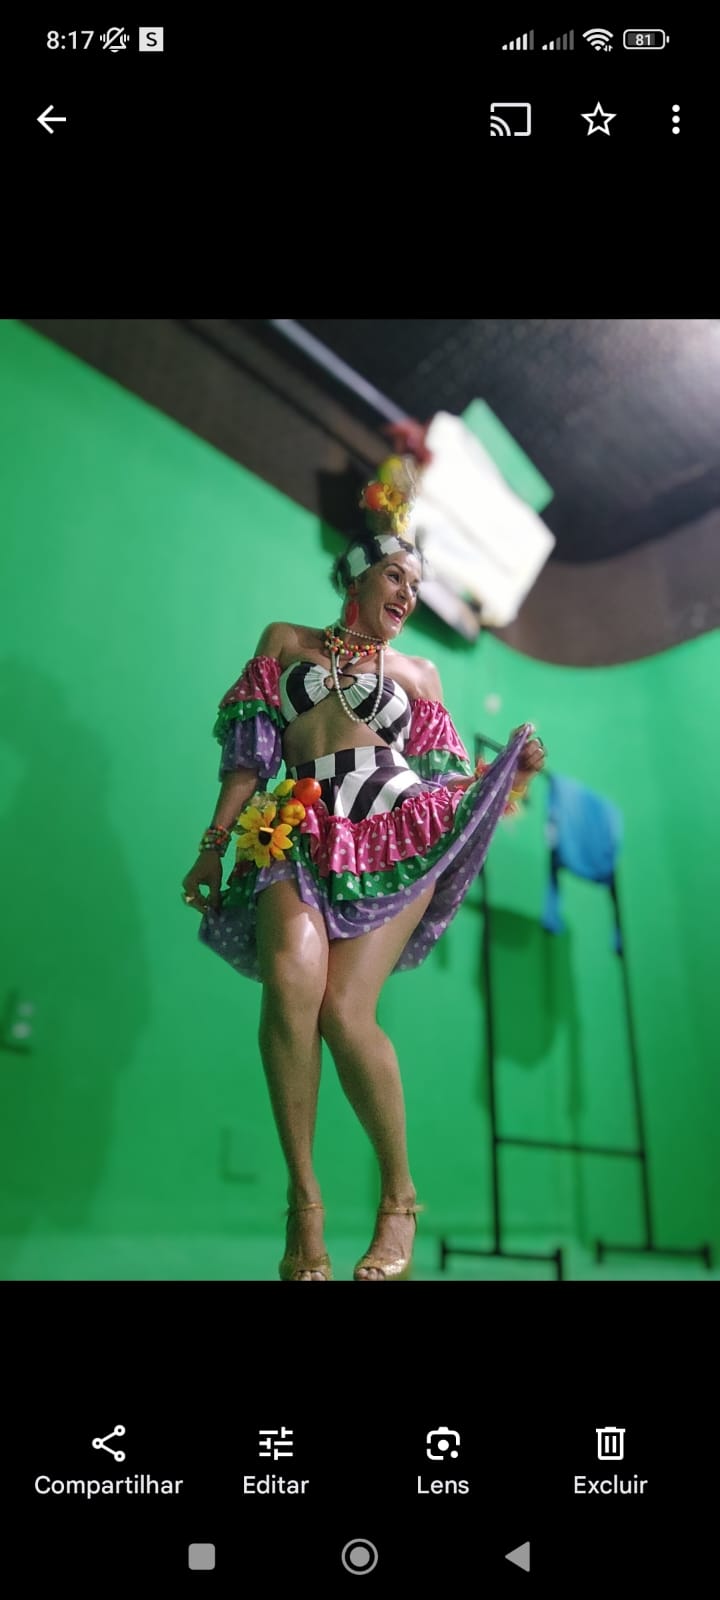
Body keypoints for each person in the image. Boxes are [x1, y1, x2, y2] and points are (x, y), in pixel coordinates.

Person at [182, 458, 546, 1281]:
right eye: (397, 577)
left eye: (417, 586)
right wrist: (213, 843)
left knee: (347, 1013)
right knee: (291, 983)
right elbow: (249, 758)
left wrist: (507, 781)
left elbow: (448, 784)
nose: (409, 595)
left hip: (394, 827)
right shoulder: (284, 642)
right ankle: (304, 1205)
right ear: (357, 576)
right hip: (299, 827)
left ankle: (399, 1199)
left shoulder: (419, 675)